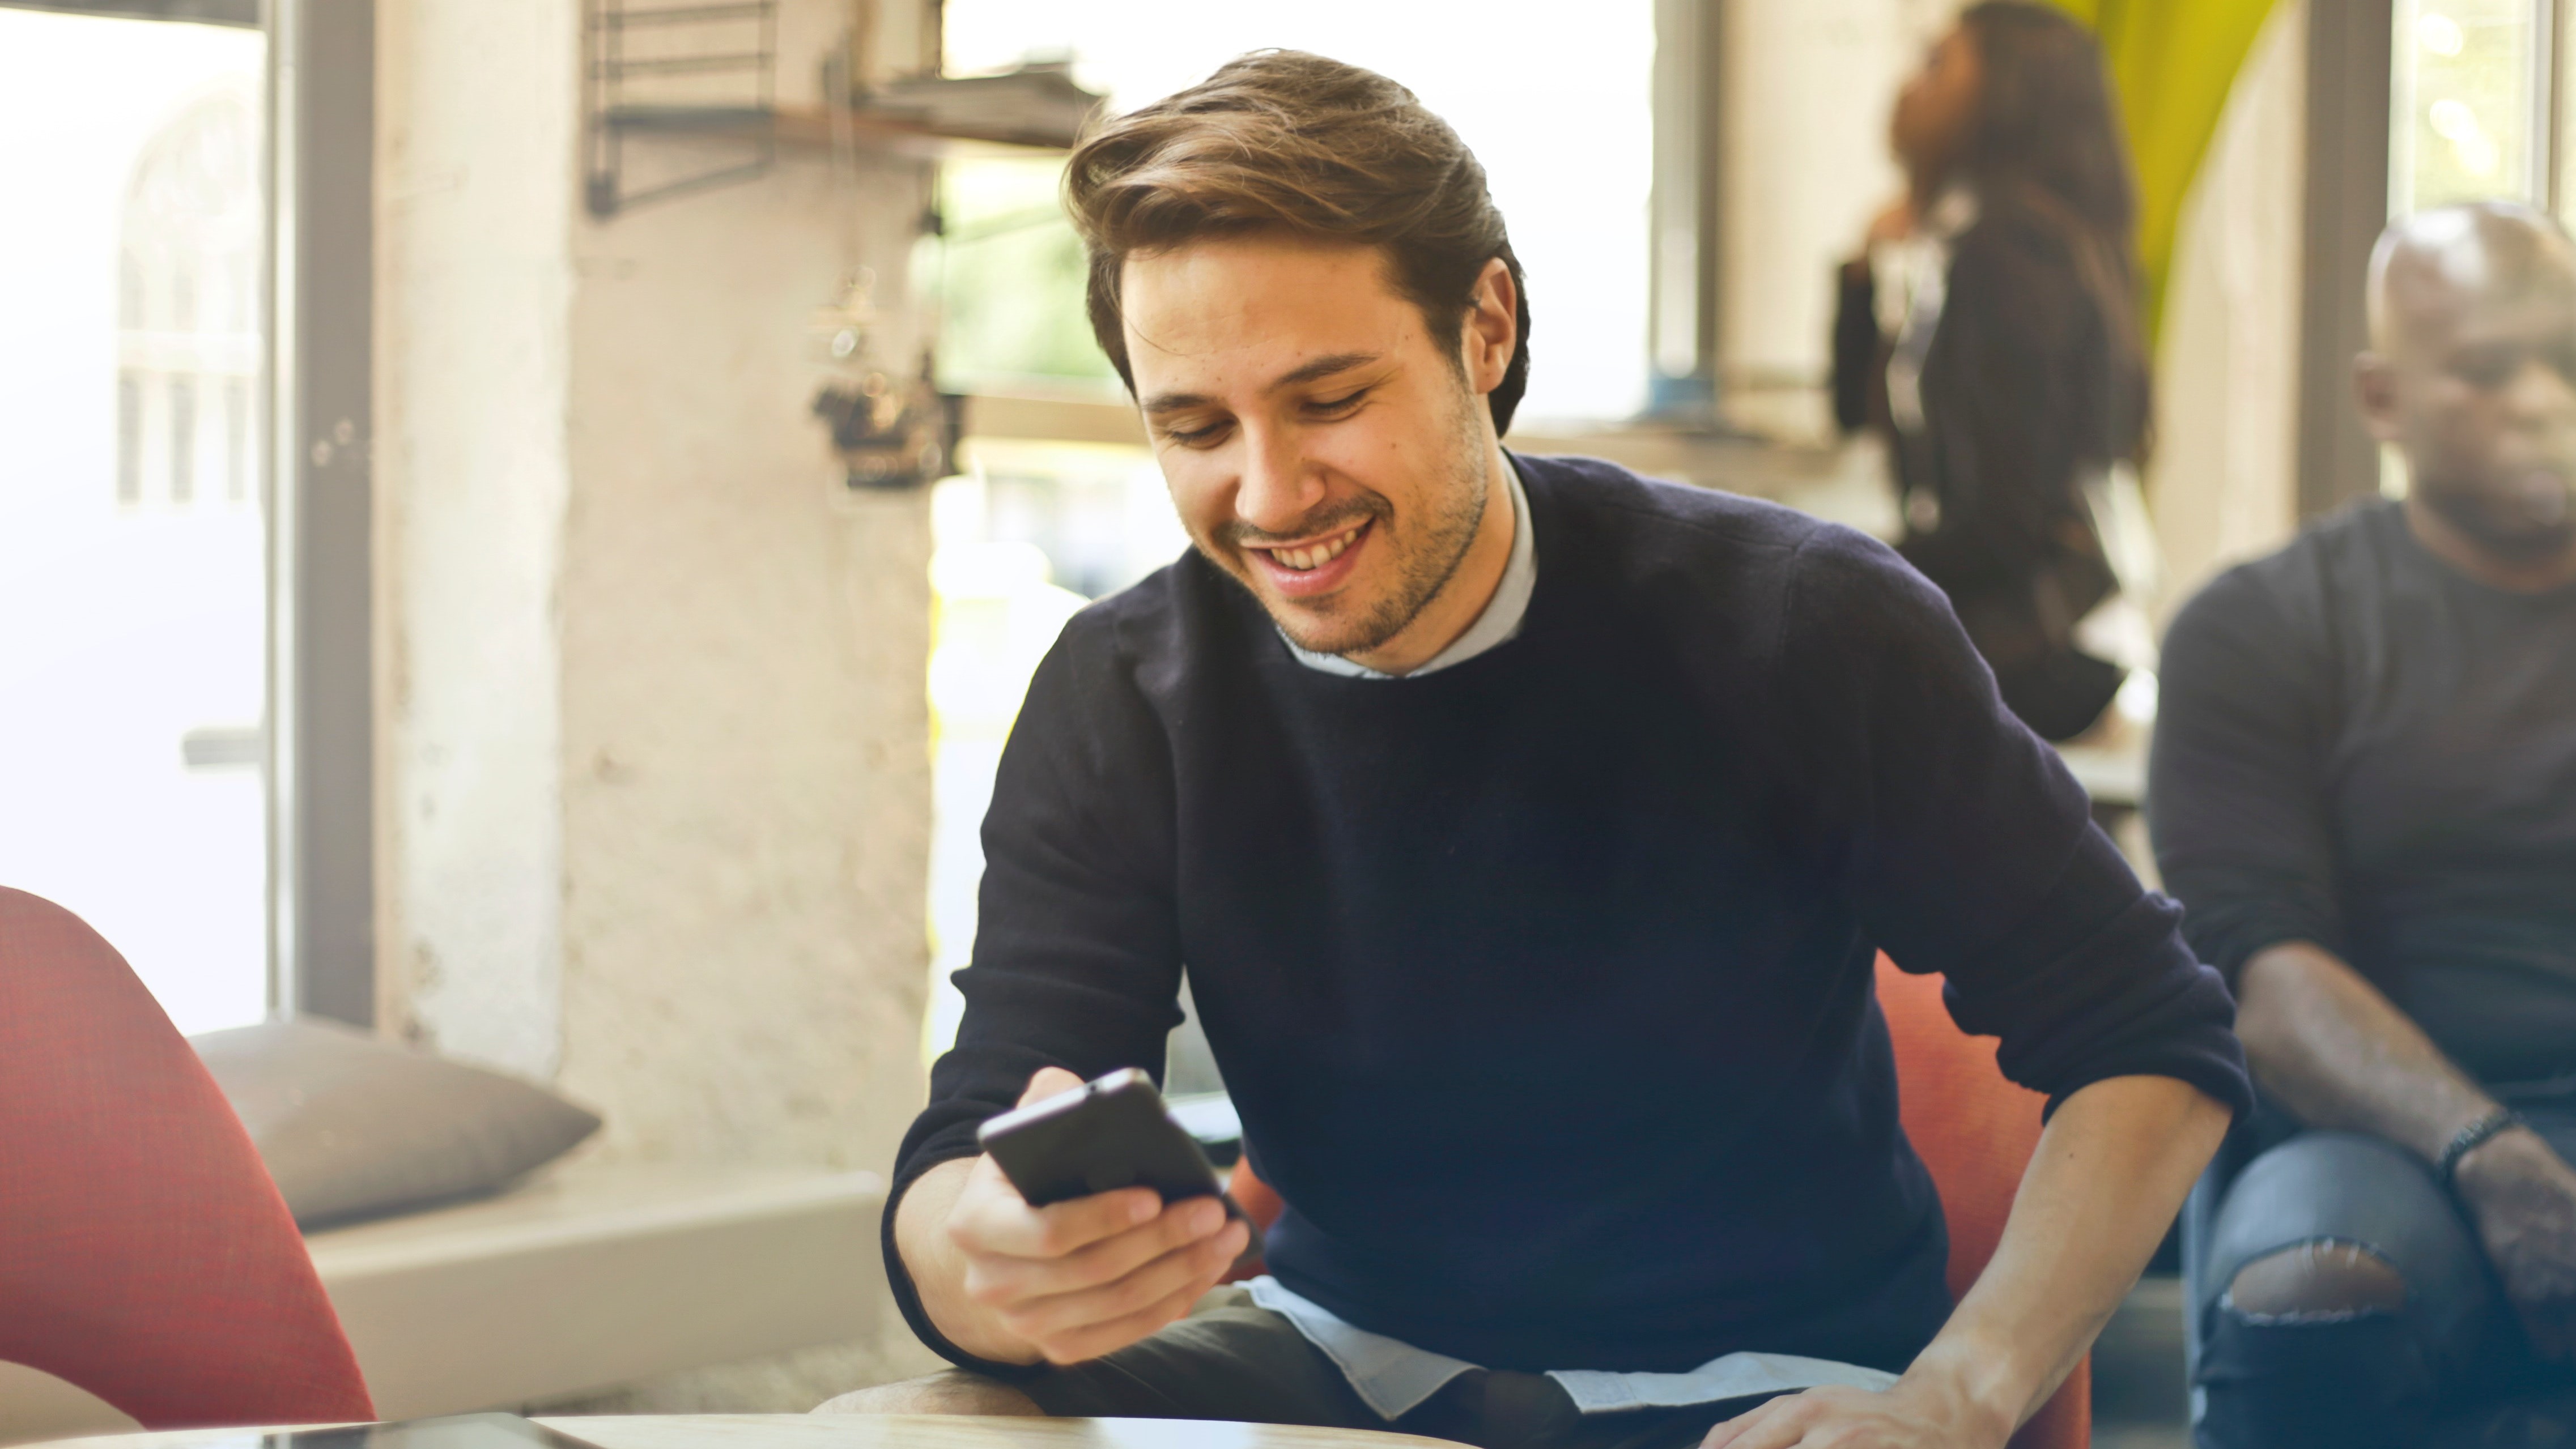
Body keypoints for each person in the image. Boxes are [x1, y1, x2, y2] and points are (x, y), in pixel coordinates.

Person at [828, 50, 2246, 1449]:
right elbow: (965, 1148)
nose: (1267, 494)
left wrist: (1958, 1392)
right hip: (1338, 1370)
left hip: (1758, 1388)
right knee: (883, 1434)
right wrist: (990, 1260)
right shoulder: (1124, 690)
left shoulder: (1802, 624)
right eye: (1195, 426)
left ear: (1485, 329)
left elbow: (2149, 1037)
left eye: (1328, 400)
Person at [2151, 202, 2576, 1449]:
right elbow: (2262, 978)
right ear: (2381, 398)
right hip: (2386, 1138)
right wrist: (2494, 1161)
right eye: (2488, 369)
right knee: (2309, 1301)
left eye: (2566, 357)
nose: (2542, 399)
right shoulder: (2264, 626)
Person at [1830, 2, 2150, 743]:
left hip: (2042, 655)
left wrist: (1845, 567)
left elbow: (2006, 520)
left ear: (2005, 90)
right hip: (2036, 633)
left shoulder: (2012, 253)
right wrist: (1860, 271)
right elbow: (1853, 413)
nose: (1909, 86)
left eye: (1938, 63)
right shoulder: (2015, 238)